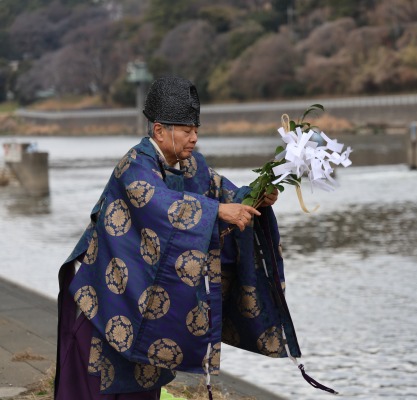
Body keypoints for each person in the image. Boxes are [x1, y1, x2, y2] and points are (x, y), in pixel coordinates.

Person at [54, 76, 302, 399]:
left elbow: (224, 192)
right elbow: (160, 205)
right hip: (105, 305)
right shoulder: (134, 166)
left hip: (143, 310)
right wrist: (218, 212)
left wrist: (255, 197)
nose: (194, 139)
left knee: (141, 388)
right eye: (187, 131)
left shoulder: (190, 166)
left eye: (196, 130)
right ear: (160, 130)